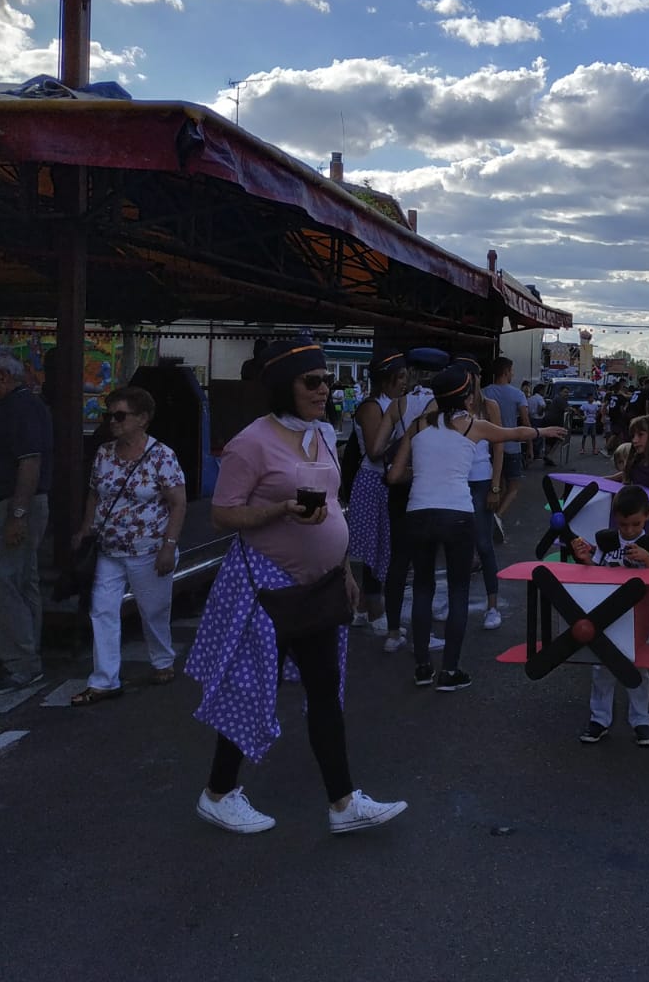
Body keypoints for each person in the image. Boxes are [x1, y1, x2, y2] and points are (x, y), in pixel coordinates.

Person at [187, 339, 406, 835]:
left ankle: (344, 803)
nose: (325, 389)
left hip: (320, 583)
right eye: (313, 381)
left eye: (326, 380)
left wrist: (345, 570)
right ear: (285, 385)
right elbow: (223, 514)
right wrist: (279, 510)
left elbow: (332, 502)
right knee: (251, 688)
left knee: (325, 690)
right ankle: (217, 794)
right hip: (266, 585)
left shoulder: (324, 433)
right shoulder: (251, 442)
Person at [388, 365, 567, 688]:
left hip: (418, 513)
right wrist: (544, 432)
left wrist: (425, 472)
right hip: (457, 513)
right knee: (458, 591)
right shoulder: (473, 426)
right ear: (467, 398)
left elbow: (394, 475)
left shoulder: (418, 425)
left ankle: (423, 667)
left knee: (423, 590)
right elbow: (515, 434)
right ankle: (450, 671)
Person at [69, 387, 187, 705]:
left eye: (120, 415)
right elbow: (95, 493)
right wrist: (86, 528)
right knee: (102, 610)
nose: (113, 421)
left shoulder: (162, 456)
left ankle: (162, 659)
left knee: (153, 611)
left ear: (142, 419)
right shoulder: (105, 454)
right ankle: (104, 679)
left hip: (148, 549)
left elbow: (178, 503)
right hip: (109, 549)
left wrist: (168, 546)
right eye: (109, 415)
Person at [0, 349, 53, 697]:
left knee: (2, 586)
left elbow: (29, 463)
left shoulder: (20, 408)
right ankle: (21, 656)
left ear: (2, 377)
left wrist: (17, 514)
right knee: (20, 583)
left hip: (11, 506)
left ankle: (20, 664)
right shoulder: (22, 407)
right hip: (14, 505)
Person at [571, 484, 649, 747]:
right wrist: (584, 560)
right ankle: (599, 719)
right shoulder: (607, 540)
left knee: (639, 669)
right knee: (602, 668)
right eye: (623, 525)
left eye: (635, 524)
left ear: (647, 516)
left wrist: (648, 560)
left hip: (638, 615)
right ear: (616, 520)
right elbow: (598, 573)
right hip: (607, 614)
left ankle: (641, 720)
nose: (629, 531)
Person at [346, 351, 408, 638]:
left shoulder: (393, 404)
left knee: (383, 546)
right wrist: (405, 441)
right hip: (372, 482)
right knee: (374, 548)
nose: (406, 382)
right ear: (388, 379)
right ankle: (375, 611)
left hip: (384, 482)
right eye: (402, 377)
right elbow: (374, 450)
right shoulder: (373, 407)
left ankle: (361, 609)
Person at [456, 357, 506, 631]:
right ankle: (457, 601)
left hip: (481, 479)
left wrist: (496, 485)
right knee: (457, 545)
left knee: (484, 544)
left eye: (467, 375)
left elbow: (498, 447)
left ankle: (492, 605)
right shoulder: (449, 405)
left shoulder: (489, 406)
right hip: (455, 481)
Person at [481, 358, 530, 535]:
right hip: (511, 446)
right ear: (506, 371)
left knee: (497, 484)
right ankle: (497, 517)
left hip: (488, 447)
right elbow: (525, 422)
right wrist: (530, 445)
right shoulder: (518, 394)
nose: (513, 374)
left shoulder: (483, 393)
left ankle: (491, 516)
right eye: (512, 371)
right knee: (514, 487)